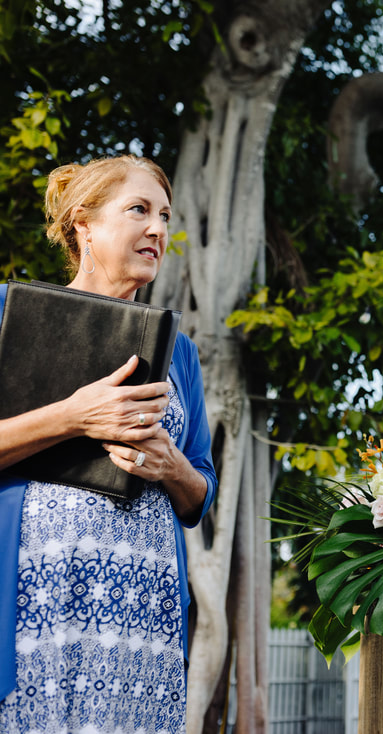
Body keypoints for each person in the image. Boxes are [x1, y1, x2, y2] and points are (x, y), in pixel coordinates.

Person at [0, 155, 217, 733]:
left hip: (141, 609)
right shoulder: (10, 313)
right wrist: (73, 416)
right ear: (84, 225)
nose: (158, 230)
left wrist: (171, 466)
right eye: (138, 210)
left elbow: (200, 494)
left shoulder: (182, 352)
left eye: (165, 216)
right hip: (35, 599)